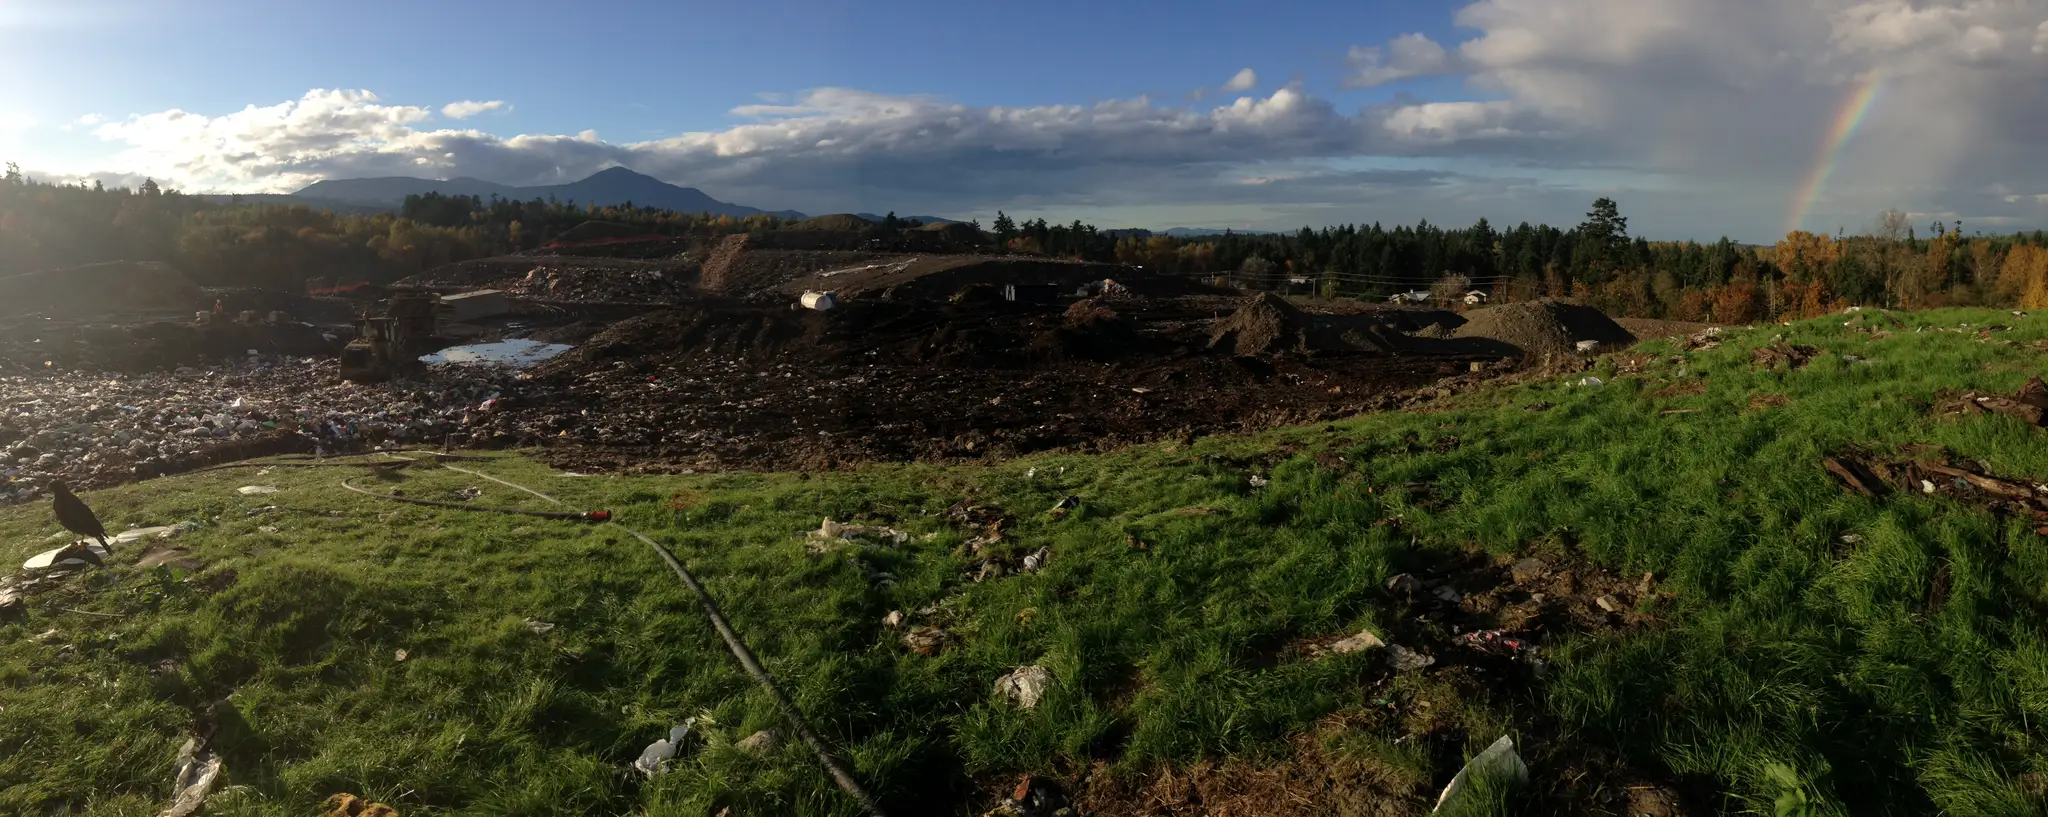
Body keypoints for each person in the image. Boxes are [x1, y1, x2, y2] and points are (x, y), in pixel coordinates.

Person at [50, 479, 111, 553]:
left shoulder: (59, 502)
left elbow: (76, 519)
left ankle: (81, 543)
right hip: (85, 523)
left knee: (84, 529)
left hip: (82, 524)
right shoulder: (71, 498)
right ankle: (80, 542)